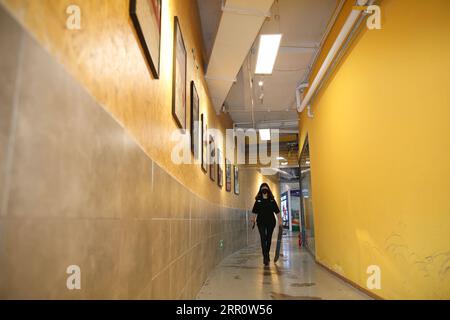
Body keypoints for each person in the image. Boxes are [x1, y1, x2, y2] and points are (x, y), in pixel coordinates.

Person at [251, 183, 281, 266]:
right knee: (263, 238)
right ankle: (265, 257)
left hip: (271, 222)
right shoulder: (258, 200)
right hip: (260, 222)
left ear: (268, 189)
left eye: (265, 188)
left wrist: (280, 222)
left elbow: (277, 212)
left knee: (268, 238)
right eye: (263, 188)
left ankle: (266, 254)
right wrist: (253, 219)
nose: (264, 189)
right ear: (260, 190)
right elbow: (254, 212)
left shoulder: (272, 200)